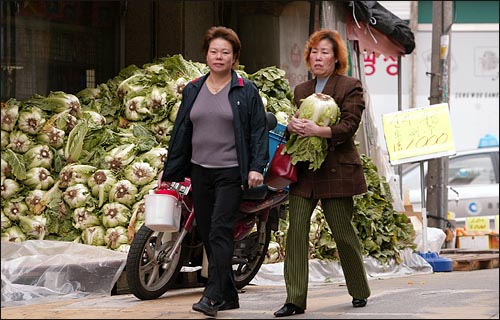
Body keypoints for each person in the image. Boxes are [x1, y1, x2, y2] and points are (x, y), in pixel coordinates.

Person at [160, 26, 269, 318]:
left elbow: (258, 131)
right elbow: (182, 129)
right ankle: (230, 293)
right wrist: (172, 168)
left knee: (221, 230)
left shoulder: (246, 91)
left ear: (234, 58)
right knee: (208, 232)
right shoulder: (194, 88)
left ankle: (212, 295)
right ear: (206, 55)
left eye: (225, 52)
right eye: (214, 51)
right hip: (199, 171)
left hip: (231, 173)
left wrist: (257, 168)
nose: (219, 57)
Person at [274, 29, 371, 317]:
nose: (318, 57)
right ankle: (294, 299)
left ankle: (359, 289)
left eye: (324, 52)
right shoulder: (302, 91)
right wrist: (292, 127)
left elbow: (350, 124)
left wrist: (321, 131)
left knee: (342, 232)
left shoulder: (350, 86)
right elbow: (299, 125)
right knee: (296, 232)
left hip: (336, 168)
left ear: (336, 58)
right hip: (305, 170)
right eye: (314, 52)